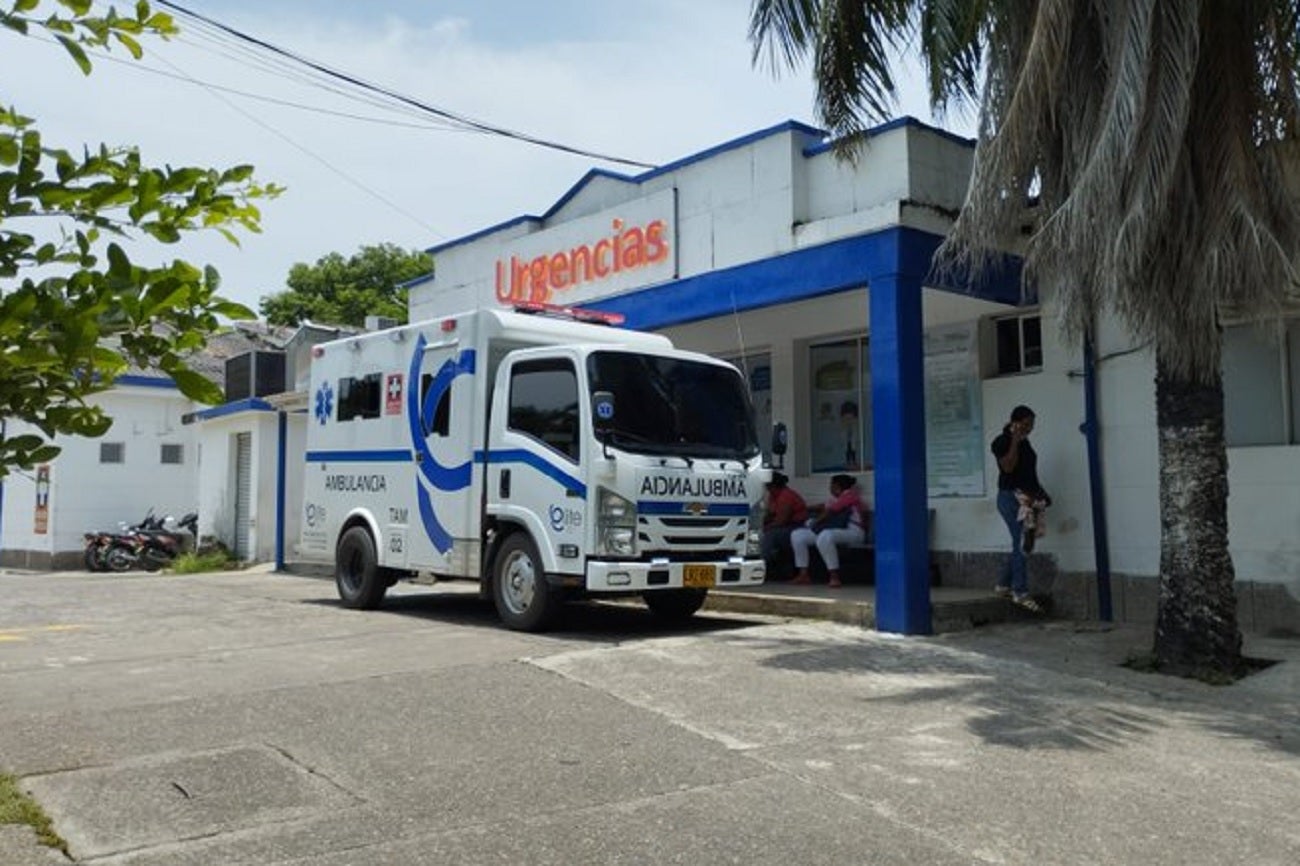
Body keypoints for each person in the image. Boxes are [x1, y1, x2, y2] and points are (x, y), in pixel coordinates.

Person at [990, 405, 1050, 611]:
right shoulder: (1002, 441)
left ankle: (1003, 584)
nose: (1029, 429)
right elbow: (1008, 466)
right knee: (1023, 541)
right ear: (1014, 422)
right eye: (1025, 424)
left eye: (1031, 425)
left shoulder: (1027, 444)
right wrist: (1014, 440)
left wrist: (1041, 493)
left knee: (1025, 542)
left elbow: (1028, 473)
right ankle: (1020, 591)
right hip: (1010, 498)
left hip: (1028, 497)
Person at [789, 473, 865, 588]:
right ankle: (803, 574)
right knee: (798, 535)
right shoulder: (836, 498)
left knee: (825, 535)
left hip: (854, 532)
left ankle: (834, 577)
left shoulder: (850, 496)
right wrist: (802, 508)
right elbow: (822, 506)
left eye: (831, 485)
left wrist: (814, 522)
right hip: (837, 530)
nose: (830, 488)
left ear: (836, 486)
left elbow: (831, 511)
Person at [760, 471, 808, 580]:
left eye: (769, 486)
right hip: (782, 526)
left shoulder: (786, 496)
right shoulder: (773, 496)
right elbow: (770, 514)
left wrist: (765, 528)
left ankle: (763, 566)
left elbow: (781, 520)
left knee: (770, 535)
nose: (767, 489)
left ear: (774, 486)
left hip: (795, 527)